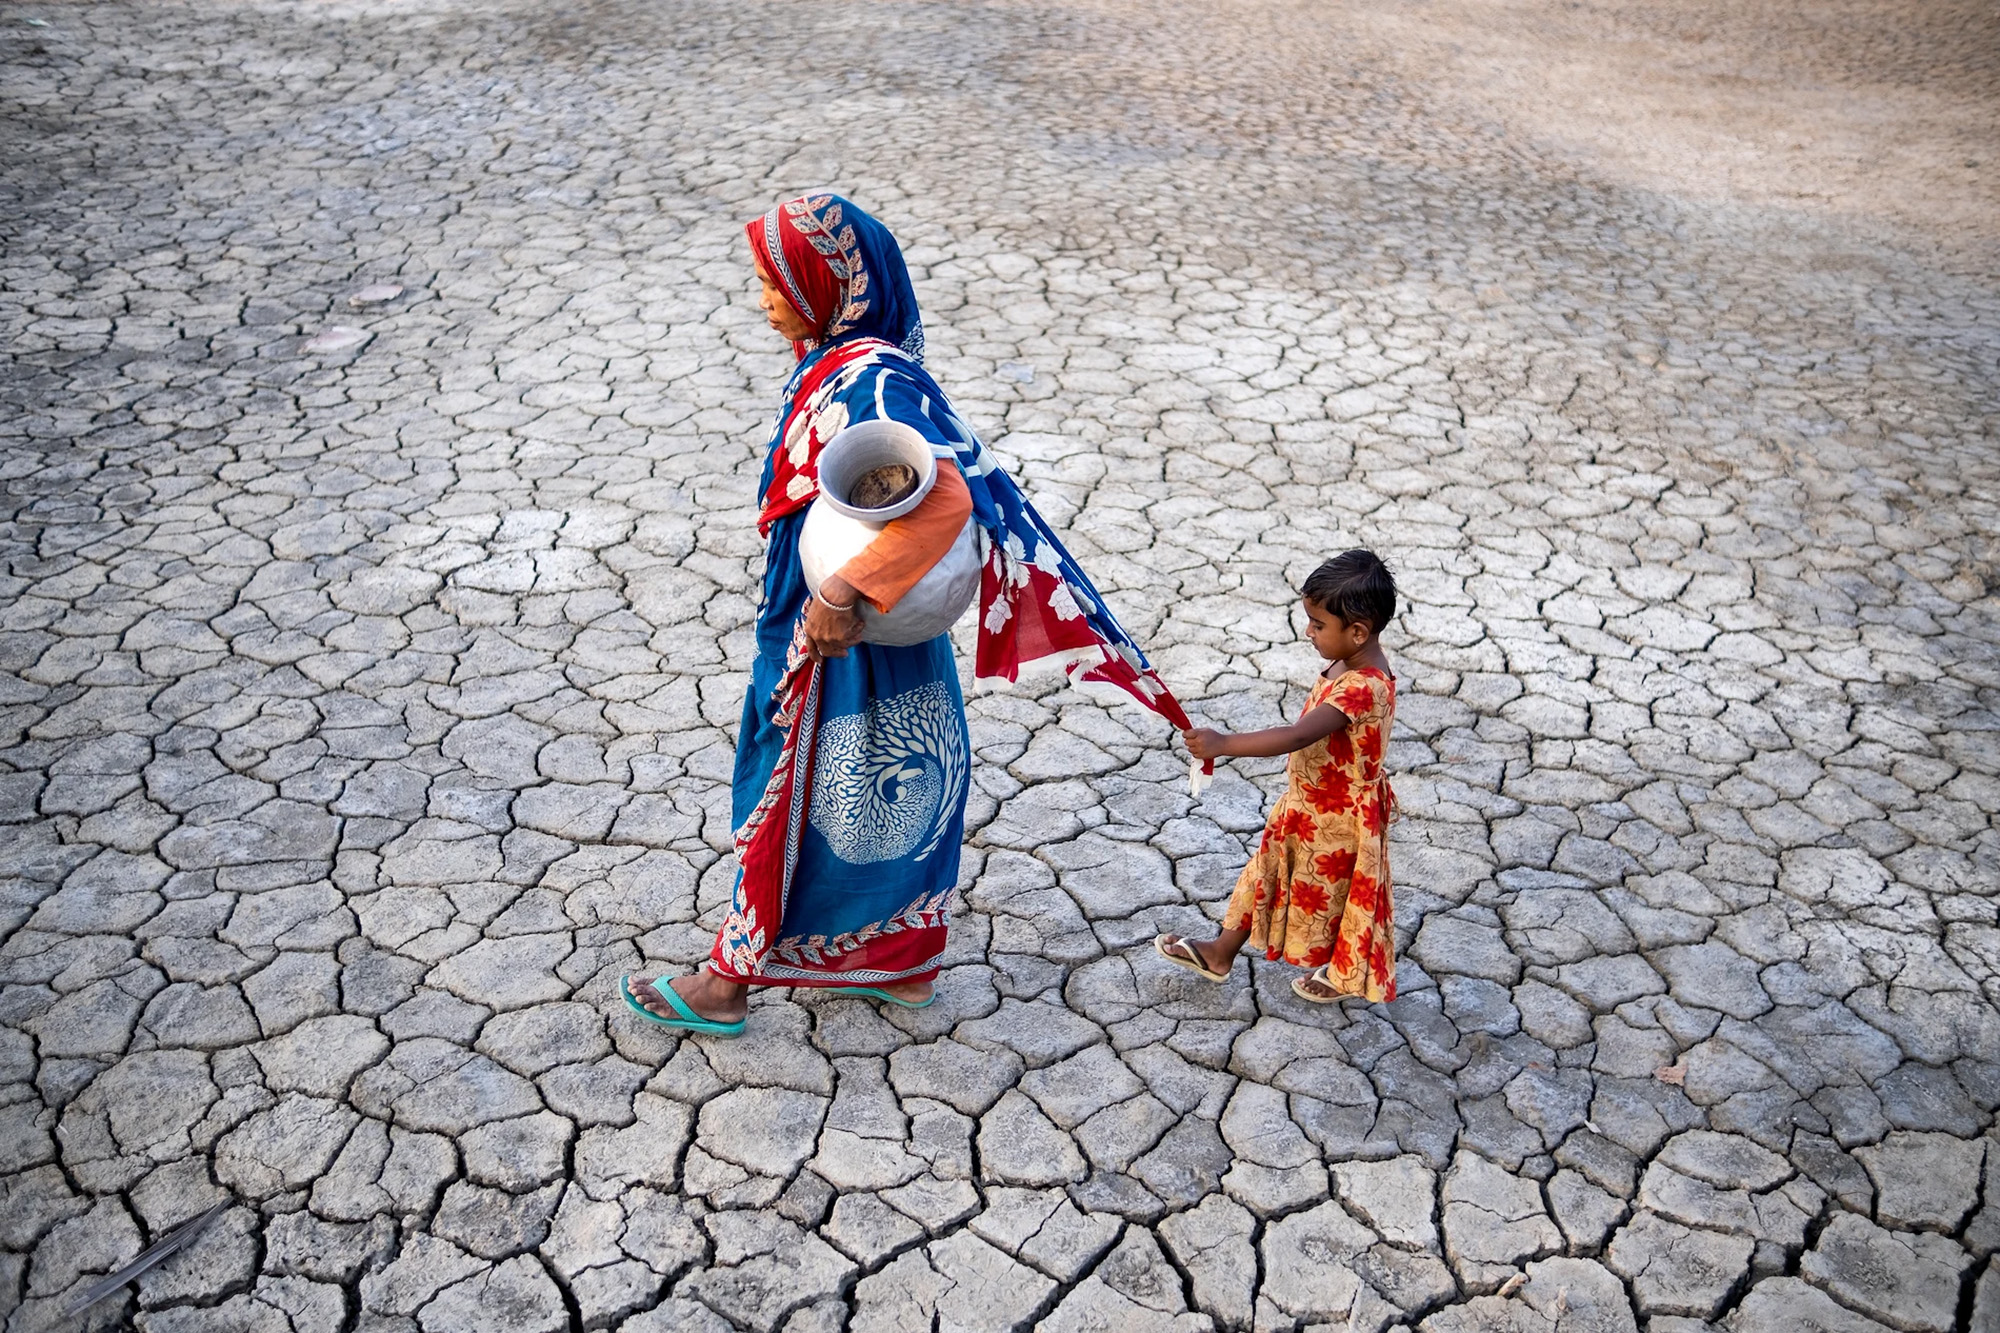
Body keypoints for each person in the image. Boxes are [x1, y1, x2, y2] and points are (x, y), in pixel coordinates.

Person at [621, 194, 1198, 1036]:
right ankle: (901, 965)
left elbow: (942, 501)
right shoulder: (854, 361)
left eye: (774, 282)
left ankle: (728, 981)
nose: (763, 301)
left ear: (825, 282)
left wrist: (836, 595)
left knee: (799, 782)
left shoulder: (869, 378)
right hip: (886, 620)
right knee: (888, 779)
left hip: (845, 622)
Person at [1154, 551, 1401, 1004]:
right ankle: (1220, 952)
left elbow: (1295, 735)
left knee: (1344, 899)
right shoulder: (1350, 660)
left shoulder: (1364, 686)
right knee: (1265, 874)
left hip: (1338, 820)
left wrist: (1224, 743)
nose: (1309, 632)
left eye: (1318, 624)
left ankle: (1345, 975)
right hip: (1307, 805)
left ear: (1358, 632)